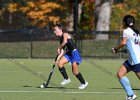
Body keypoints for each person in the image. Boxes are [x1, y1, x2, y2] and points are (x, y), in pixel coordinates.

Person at [112, 15, 139, 100]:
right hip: (131, 60)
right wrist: (120, 51)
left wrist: (116, 48)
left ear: (124, 23)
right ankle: (131, 95)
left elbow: (123, 43)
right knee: (120, 74)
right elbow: (133, 47)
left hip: (136, 61)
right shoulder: (136, 32)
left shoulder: (126, 31)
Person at [53, 23, 88, 89]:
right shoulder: (60, 39)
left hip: (74, 54)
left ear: (60, 30)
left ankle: (84, 83)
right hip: (69, 54)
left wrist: (59, 48)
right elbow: (62, 51)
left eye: (55, 30)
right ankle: (66, 79)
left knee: (74, 72)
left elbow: (65, 42)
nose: (54, 31)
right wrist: (57, 59)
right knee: (60, 64)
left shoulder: (65, 34)